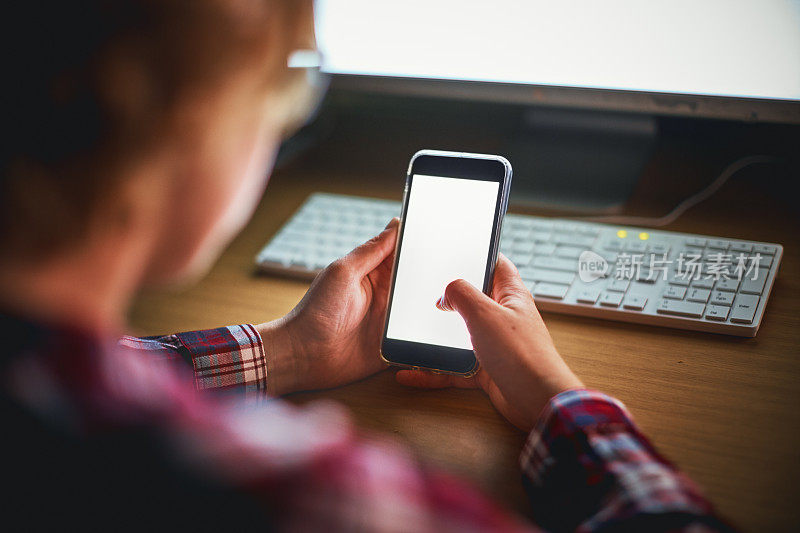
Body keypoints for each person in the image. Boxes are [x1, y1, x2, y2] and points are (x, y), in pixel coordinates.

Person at [1, 1, 732, 531]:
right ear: (185, 125)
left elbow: (95, 372)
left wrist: (289, 351)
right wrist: (554, 396)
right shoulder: (309, 495)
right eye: (276, 99)